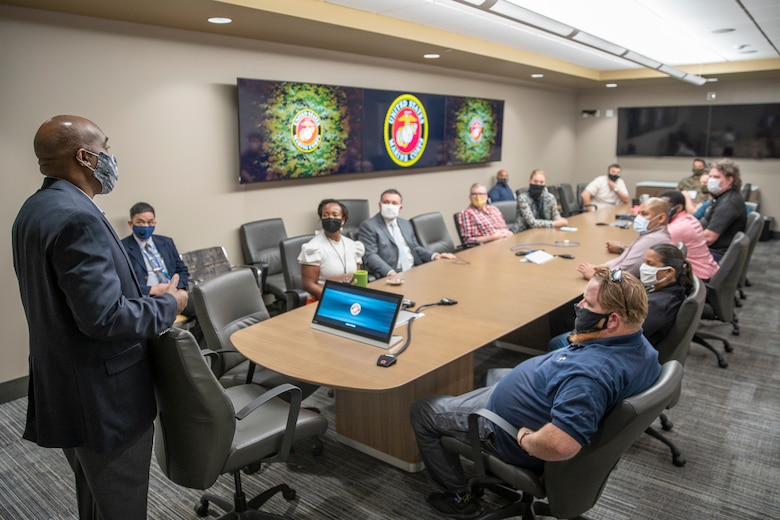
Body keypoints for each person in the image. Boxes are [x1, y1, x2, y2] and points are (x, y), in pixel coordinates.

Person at [12, 115, 188, 520]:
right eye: (106, 148)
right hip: (104, 397)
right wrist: (171, 304)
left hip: (67, 383)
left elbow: (72, 301)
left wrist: (143, 295)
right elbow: (105, 318)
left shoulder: (35, 209)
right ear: (86, 157)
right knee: (121, 506)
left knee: (94, 500)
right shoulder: (78, 217)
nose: (112, 157)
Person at [410, 268, 661, 519]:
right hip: (537, 399)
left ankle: (459, 498)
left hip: (507, 431)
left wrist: (525, 440)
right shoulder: (641, 348)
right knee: (491, 375)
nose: (579, 305)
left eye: (588, 303)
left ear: (613, 320)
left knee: (424, 409)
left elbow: (561, 445)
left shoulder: (589, 377)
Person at [551, 243, 693, 350]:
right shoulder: (665, 288)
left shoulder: (659, 305)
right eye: (644, 262)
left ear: (669, 272)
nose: (643, 267)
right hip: (620, 335)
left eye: (650, 264)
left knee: (557, 342)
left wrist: (579, 337)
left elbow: (625, 335)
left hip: (616, 347)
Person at [358, 189, 456, 280]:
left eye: (394, 203)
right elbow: (371, 255)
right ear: (380, 205)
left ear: (400, 207)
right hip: (392, 274)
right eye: (386, 202)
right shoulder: (368, 226)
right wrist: (391, 273)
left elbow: (415, 247)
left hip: (414, 269)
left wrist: (435, 256)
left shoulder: (405, 223)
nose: (390, 205)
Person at [577, 197, 673, 280]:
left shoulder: (653, 239)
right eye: (638, 213)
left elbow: (625, 273)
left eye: (644, 214)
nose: (638, 218)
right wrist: (602, 267)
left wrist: (594, 276)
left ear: (661, 218)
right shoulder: (650, 234)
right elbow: (624, 259)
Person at [299, 198, 365, 300]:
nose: (330, 218)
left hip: (348, 298)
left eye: (335, 215)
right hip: (322, 299)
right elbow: (308, 285)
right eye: (325, 215)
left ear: (343, 220)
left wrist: (350, 296)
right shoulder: (313, 248)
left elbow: (356, 276)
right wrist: (334, 298)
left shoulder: (353, 245)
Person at [121, 202, 190, 298]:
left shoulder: (166, 242)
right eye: (140, 222)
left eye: (150, 222)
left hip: (174, 292)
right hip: (148, 298)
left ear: (155, 223)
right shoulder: (122, 248)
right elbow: (123, 283)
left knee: (202, 305)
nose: (145, 226)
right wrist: (150, 290)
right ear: (131, 223)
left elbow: (182, 270)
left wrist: (176, 287)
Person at [660, 190, 719, 281]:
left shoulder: (676, 228)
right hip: (710, 271)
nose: (659, 211)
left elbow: (657, 255)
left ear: (678, 207)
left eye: (664, 208)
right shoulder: (690, 219)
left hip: (698, 278)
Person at [700, 158, 747, 261]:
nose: (711, 180)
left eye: (716, 177)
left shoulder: (728, 203)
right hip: (715, 250)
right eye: (710, 176)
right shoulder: (723, 197)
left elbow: (709, 238)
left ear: (730, 180)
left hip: (717, 254)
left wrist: (686, 243)